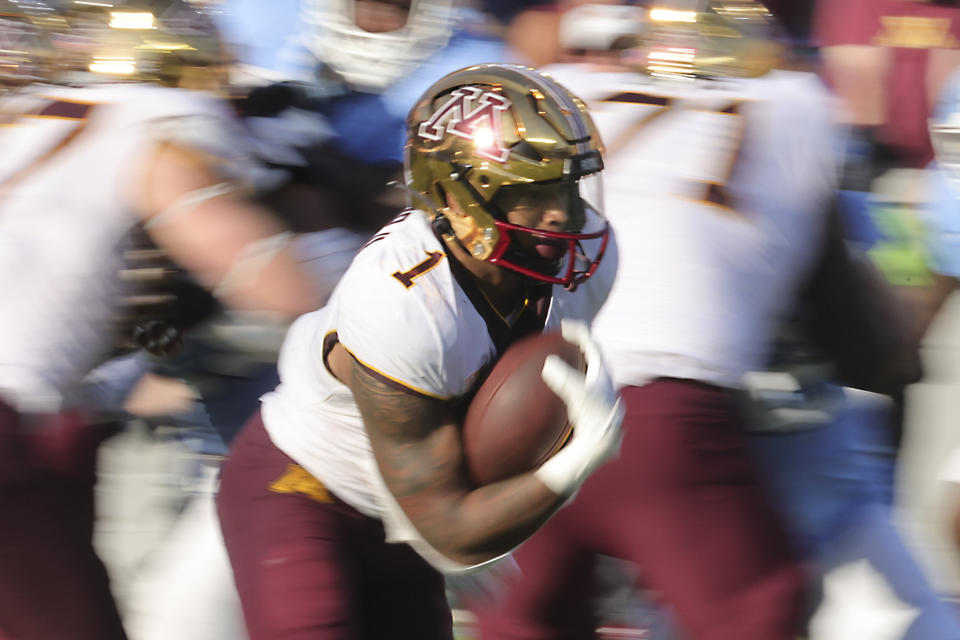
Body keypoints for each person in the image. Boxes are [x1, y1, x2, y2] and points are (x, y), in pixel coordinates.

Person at [466, 2, 919, 638]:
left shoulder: (574, 91)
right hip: (662, 417)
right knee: (755, 606)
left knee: (528, 616)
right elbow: (858, 341)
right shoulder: (795, 106)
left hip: (522, 398)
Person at [216, 62, 623, 640]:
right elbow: (451, 532)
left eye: (568, 184)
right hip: (306, 487)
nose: (563, 212)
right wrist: (572, 464)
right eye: (534, 191)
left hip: (408, 512)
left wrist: (502, 495)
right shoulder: (404, 298)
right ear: (457, 198)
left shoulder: (587, 259)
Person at [0, 1, 324, 637]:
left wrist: (167, 338)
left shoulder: (26, 124)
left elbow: (91, 309)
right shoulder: (153, 133)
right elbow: (286, 294)